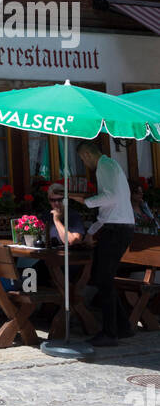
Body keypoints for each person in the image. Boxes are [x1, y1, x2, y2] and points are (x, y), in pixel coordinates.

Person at [69, 143, 135, 346]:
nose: (83, 163)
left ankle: (110, 332)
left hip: (116, 229)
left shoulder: (105, 166)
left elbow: (110, 198)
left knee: (103, 279)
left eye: (82, 159)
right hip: (116, 226)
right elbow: (109, 209)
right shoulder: (111, 165)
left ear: (87, 154)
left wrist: (82, 200)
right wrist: (92, 231)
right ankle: (122, 327)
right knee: (101, 277)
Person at [47, 183, 86, 248]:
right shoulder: (46, 215)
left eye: (60, 200)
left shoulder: (74, 216)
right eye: (53, 200)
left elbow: (74, 242)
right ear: (49, 201)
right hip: (49, 255)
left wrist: (57, 221)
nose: (56, 203)